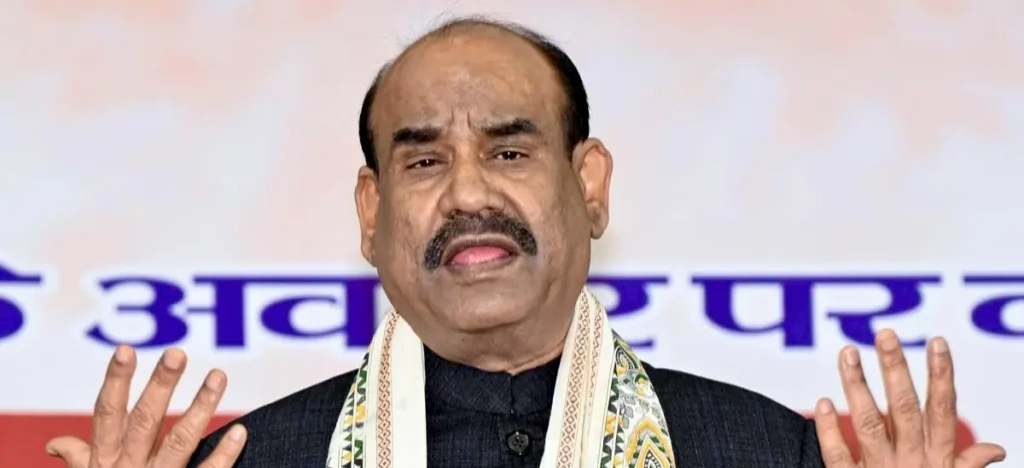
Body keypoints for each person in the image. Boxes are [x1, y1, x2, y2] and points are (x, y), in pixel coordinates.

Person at [45, 17, 1006, 468]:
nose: (468, 193)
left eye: (509, 150)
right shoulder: (248, 466)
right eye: (424, 161)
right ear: (371, 213)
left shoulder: (770, 456)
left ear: (590, 186)